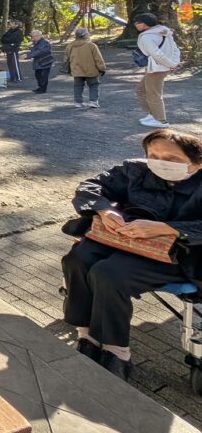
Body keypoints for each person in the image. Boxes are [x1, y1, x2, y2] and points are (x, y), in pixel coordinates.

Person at [61, 129, 202, 381]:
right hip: (124, 239)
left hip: (181, 251)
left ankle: (117, 351)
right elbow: (91, 186)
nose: (160, 162)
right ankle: (87, 333)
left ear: (197, 162)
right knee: (77, 259)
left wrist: (169, 228)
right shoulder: (134, 170)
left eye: (172, 159)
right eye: (154, 155)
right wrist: (104, 210)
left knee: (109, 274)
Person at [133, 13, 181, 129]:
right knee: (141, 90)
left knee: (154, 94)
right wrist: (174, 62)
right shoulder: (164, 31)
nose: (135, 25)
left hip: (156, 68)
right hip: (160, 67)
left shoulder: (147, 37)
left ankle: (160, 120)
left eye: (137, 22)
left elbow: (157, 55)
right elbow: (175, 49)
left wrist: (172, 64)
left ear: (144, 24)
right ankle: (152, 114)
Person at [65, 27, 106, 109]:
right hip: (91, 70)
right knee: (93, 85)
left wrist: (70, 68)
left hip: (76, 70)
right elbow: (98, 58)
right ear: (86, 35)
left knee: (78, 86)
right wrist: (102, 68)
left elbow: (66, 58)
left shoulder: (70, 46)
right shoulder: (91, 45)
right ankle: (93, 101)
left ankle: (78, 102)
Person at [26, 29, 54, 94]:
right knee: (38, 75)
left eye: (34, 36)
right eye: (32, 36)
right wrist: (29, 55)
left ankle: (43, 89)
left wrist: (28, 56)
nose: (32, 38)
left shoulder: (44, 43)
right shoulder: (37, 42)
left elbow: (39, 52)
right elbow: (34, 51)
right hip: (39, 62)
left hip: (45, 61)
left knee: (43, 76)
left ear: (39, 36)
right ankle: (40, 87)